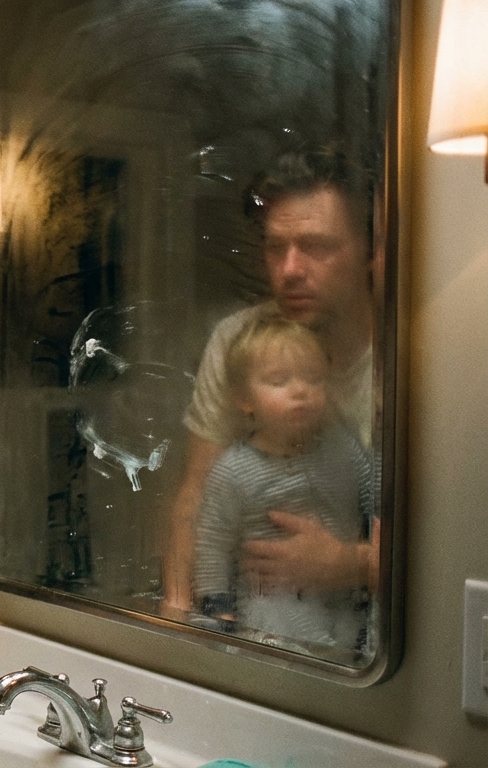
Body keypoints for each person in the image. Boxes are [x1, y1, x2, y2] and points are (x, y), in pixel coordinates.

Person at [163, 146, 381, 617]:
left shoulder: (409, 356)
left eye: (317, 247)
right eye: (275, 247)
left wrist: (352, 563)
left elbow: (455, 544)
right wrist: (178, 619)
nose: (290, 270)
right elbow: (195, 495)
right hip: (260, 621)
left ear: (370, 251)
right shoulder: (240, 340)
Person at [191, 316, 376, 650]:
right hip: (272, 612)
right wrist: (219, 614)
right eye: (279, 381)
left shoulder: (343, 448)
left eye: (313, 378)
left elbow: (375, 503)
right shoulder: (234, 470)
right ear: (245, 399)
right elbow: (212, 547)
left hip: (347, 605)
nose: (300, 391)